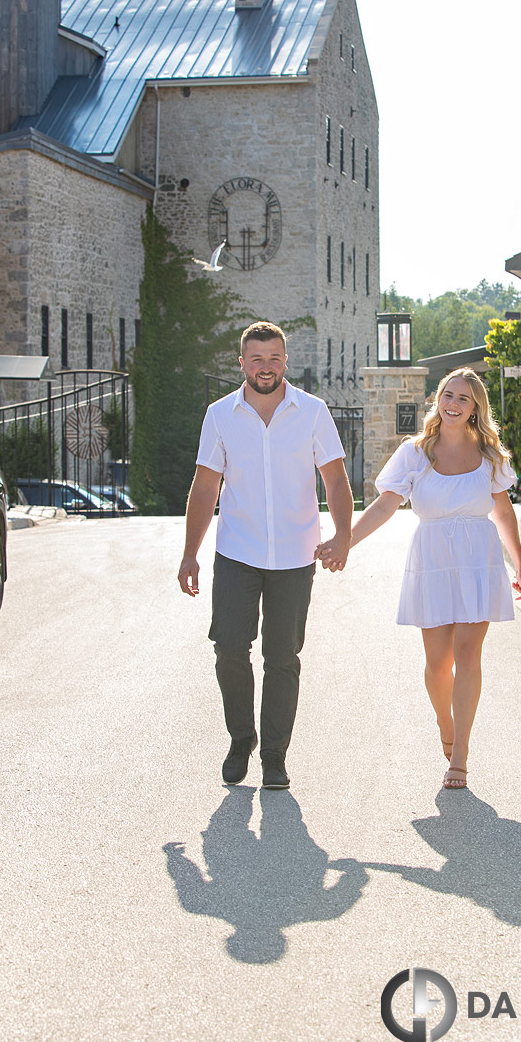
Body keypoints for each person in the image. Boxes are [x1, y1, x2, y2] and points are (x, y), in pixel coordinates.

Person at [317, 367, 521, 789]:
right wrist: (346, 541)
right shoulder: (415, 452)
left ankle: (461, 756)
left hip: (477, 560)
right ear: (438, 399)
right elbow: (383, 507)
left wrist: (519, 564)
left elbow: (503, 511)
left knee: (469, 655)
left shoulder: (490, 456)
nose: (452, 404)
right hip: (432, 560)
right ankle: (444, 723)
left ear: (475, 409)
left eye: (462, 399)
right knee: (438, 665)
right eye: (447, 395)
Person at [178, 321, 353, 788]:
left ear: (285, 362)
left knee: (282, 657)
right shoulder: (220, 415)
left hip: (297, 555)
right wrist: (190, 552)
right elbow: (205, 486)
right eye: (257, 359)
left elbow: (335, 480)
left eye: (274, 358)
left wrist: (342, 536)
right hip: (238, 552)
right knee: (230, 648)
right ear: (242, 364)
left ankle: (274, 757)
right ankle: (241, 740)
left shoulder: (313, 413)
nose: (266, 367)